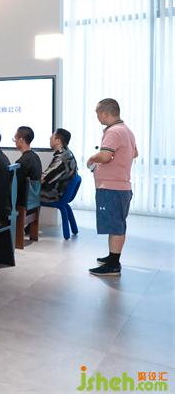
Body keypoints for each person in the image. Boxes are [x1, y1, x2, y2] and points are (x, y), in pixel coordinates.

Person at [86, 98, 138, 277]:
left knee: (115, 226)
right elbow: (135, 153)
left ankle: (114, 265)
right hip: (120, 186)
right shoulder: (126, 130)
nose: (97, 117)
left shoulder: (114, 131)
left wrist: (91, 159)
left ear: (105, 113)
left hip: (112, 188)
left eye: (97, 113)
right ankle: (112, 257)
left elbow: (104, 156)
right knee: (116, 223)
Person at [40, 128, 78, 203]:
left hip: (53, 194)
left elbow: (42, 179)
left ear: (58, 141)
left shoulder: (61, 158)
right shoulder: (68, 153)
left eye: (52, 136)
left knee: (23, 192)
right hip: (61, 191)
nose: (50, 138)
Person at [14, 126, 42, 211]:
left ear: (21, 140)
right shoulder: (35, 157)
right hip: (34, 201)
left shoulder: (22, 162)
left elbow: (15, 184)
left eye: (15, 138)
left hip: (23, 203)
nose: (14, 141)